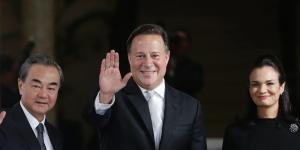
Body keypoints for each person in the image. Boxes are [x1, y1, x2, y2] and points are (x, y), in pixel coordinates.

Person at [86, 24, 207, 150]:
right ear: (129, 58)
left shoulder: (191, 107)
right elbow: (95, 120)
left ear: (166, 58)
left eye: (155, 55)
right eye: (140, 56)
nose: (148, 63)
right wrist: (106, 95)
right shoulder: (113, 100)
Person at [222, 54, 300, 150]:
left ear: (282, 87)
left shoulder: (296, 131)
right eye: (255, 84)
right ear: (249, 89)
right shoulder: (235, 133)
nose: (262, 90)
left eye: (269, 83)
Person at [0, 53, 63, 150]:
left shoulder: (55, 134)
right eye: (36, 86)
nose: (43, 95)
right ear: (21, 86)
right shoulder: (3, 125)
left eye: (51, 88)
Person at [166, 28, 203, 97]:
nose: (179, 44)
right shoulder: (161, 64)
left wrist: (171, 71)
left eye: (182, 40)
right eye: (176, 40)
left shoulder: (194, 68)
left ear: (188, 44)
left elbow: (194, 87)